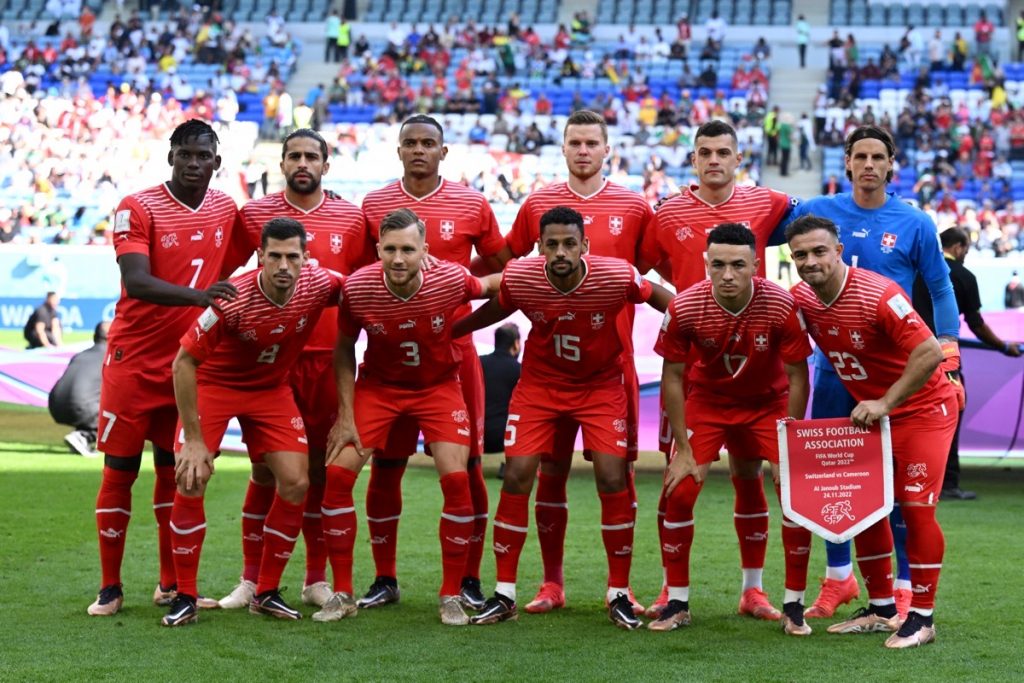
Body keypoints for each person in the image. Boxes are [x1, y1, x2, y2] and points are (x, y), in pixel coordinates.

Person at [455, 206, 672, 630]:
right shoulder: (523, 275)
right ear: (539, 247)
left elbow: (659, 296)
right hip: (540, 386)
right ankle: (505, 593)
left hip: (600, 386)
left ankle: (618, 593)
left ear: (584, 246)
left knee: (612, 477)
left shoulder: (615, 275)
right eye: (551, 244)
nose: (560, 251)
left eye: (569, 243)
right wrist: (452, 330)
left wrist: (693, 319)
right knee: (518, 474)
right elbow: (500, 306)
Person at [782, 126, 959, 622]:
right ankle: (839, 580)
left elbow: (940, 289)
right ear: (846, 161)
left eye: (877, 157)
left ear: (890, 165)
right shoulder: (816, 212)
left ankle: (904, 589)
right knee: (836, 482)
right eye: (858, 155)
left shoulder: (914, 221)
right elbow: (757, 227)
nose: (867, 164)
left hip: (900, 367)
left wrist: (951, 357)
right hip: (838, 372)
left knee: (904, 494)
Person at [641, 119, 799, 619]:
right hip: (696, 373)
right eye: (704, 152)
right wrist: (681, 308)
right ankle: (672, 590)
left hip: (758, 367)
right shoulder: (667, 214)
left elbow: (815, 230)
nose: (713, 159)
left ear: (738, 159)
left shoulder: (769, 204)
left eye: (723, 152)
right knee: (678, 477)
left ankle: (754, 590)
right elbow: (648, 267)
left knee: (750, 477)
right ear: (692, 160)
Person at [501, 109, 656, 616]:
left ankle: (622, 588)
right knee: (548, 473)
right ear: (563, 148)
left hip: (612, 365)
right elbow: (506, 267)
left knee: (619, 476)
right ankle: (551, 583)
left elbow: (650, 277)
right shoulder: (538, 204)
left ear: (607, 149)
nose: (583, 150)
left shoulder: (634, 206)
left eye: (593, 142)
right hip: (548, 368)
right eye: (575, 142)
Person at [314, 208, 501, 626]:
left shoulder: (450, 278)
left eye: (408, 250)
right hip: (379, 388)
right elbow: (343, 348)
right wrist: (346, 413)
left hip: (437, 387)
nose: (399, 259)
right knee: (338, 477)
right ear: (378, 248)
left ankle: (450, 594)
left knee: (457, 482)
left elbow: (494, 284)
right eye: (391, 249)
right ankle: (342, 593)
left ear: (425, 252)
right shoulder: (359, 287)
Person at [88, 119, 240, 617]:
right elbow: (136, 282)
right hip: (133, 362)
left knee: (175, 473)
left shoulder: (225, 208)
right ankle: (110, 587)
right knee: (119, 471)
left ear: (217, 163)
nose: (194, 163)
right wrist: (202, 298)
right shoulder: (137, 206)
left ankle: (170, 583)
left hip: (187, 364)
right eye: (185, 154)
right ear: (170, 156)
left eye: (203, 156)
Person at [358, 115, 511, 612]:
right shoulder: (375, 204)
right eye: (410, 143)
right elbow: (363, 275)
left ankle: (467, 578)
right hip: (390, 358)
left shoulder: (471, 202)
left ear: (443, 152)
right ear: (398, 150)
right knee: (386, 466)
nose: (419, 150)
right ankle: (385, 578)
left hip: (451, 354)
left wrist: (464, 318)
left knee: (465, 469)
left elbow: (503, 270)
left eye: (429, 143)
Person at [216, 129, 370, 611]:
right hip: (271, 366)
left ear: (327, 164)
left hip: (328, 361)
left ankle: (313, 579)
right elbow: (225, 281)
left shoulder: (353, 217)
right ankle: (251, 578)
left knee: (320, 474)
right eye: (294, 156)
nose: (303, 163)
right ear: (281, 163)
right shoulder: (254, 214)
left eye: (312, 156)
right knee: (267, 470)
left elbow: (367, 282)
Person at [163, 218, 343, 627]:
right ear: (260, 256)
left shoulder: (320, 284)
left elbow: (364, 286)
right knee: (191, 476)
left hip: (270, 390)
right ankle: (185, 596)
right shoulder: (232, 298)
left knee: (297, 481)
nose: (283, 265)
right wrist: (193, 439)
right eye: (274, 256)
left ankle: (265, 591)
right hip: (215, 384)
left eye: (292, 256)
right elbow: (183, 363)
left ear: (306, 258)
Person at [651, 223, 812, 633]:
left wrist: (789, 434)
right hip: (709, 403)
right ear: (706, 263)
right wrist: (684, 448)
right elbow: (672, 376)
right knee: (680, 490)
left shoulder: (779, 304)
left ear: (756, 266)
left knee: (792, 494)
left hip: (767, 405)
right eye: (718, 264)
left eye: (738, 265)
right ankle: (677, 601)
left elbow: (797, 376)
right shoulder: (684, 307)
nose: (727, 274)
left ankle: (788, 603)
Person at [912, 227, 1021, 500]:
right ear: (959, 247)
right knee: (950, 414)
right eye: (967, 250)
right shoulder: (963, 276)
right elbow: (976, 324)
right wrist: (1003, 346)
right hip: (944, 359)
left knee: (907, 419)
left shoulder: (916, 272)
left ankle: (906, 480)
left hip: (908, 356)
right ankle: (947, 483)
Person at [50, 321, 110, 457]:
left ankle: (81, 436)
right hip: (80, 407)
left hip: (55, 406)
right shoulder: (111, 358)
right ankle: (84, 436)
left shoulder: (81, 355)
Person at [480, 322, 521, 478]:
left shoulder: (478, 363)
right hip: (504, 439)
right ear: (516, 343)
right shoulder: (519, 370)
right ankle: (511, 465)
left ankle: (470, 463)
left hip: (475, 437)